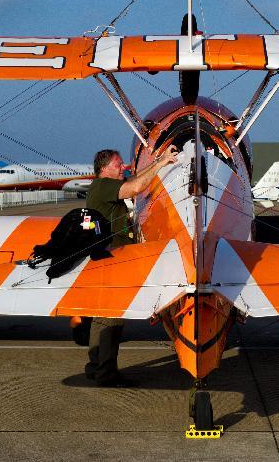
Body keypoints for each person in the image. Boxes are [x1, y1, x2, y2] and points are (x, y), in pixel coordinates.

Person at [84, 146, 178, 387]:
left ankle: (95, 366)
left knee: (101, 315)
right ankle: (106, 373)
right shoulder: (103, 186)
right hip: (112, 257)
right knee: (112, 319)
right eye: (118, 164)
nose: (123, 167)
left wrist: (158, 160)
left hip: (104, 256)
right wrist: (163, 163)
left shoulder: (101, 186)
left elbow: (134, 180)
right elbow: (136, 188)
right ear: (104, 169)